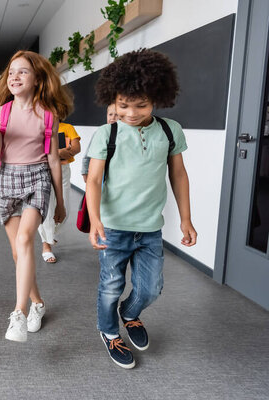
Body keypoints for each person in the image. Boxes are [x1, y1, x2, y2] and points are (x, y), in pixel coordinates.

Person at [86, 49, 197, 369]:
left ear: (157, 99)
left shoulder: (169, 131)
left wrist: (186, 219)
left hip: (150, 227)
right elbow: (93, 180)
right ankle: (108, 332)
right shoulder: (107, 134)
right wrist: (95, 221)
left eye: (141, 105)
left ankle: (131, 313)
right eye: (123, 105)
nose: (131, 113)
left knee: (151, 288)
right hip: (114, 226)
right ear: (113, 99)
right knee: (111, 286)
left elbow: (178, 174)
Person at [0, 50, 72, 342]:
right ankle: (38, 303)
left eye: (23, 72)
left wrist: (60, 199)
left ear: (37, 79)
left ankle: (18, 313)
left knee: (24, 239)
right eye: (12, 72)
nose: (15, 76)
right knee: (19, 252)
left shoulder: (48, 115)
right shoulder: (0, 114)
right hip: (8, 179)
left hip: (37, 178)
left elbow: (54, 160)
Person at [38, 122, 81, 263]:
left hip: (63, 170)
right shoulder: (39, 126)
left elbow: (76, 147)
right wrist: (57, 152)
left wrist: (65, 152)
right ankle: (47, 246)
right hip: (43, 169)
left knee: (65, 210)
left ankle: (51, 233)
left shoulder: (67, 127)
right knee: (47, 209)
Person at [81, 104, 118, 182]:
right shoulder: (100, 132)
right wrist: (85, 172)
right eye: (110, 114)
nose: (113, 118)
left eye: (116, 115)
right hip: (101, 176)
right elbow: (87, 156)